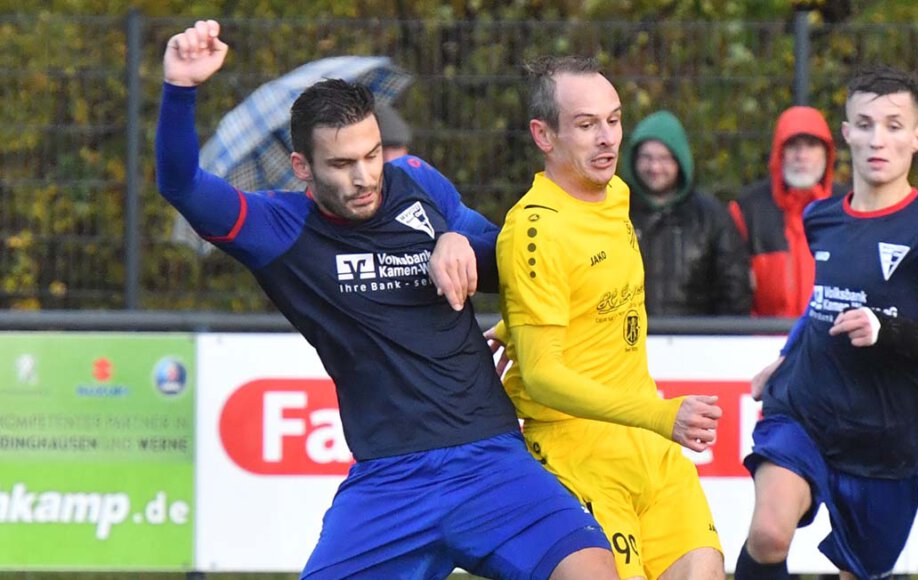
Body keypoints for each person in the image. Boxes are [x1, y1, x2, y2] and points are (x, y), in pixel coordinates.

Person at [157, 21, 619, 580]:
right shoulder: (276, 228)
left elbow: (514, 262)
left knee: (591, 571)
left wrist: (457, 237)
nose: (364, 177)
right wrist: (180, 89)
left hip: (492, 462)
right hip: (389, 486)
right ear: (303, 167)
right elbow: (181, 185)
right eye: (342, 164)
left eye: (372, 155)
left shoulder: (419, 182)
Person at [733, 65, 918, 580]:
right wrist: (784, 359)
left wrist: (886, 330)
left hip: (885, 442)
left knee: (860, 571)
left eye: (894, 126)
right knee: (767, 534)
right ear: (845, 132)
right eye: (865, 123)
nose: (878, 139)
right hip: (803, 411)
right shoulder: (822, 217)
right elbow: (821, 302)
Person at [495, 55, 726, 580]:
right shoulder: (534, 230)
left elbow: (585, 291)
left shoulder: (617, 194)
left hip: (648, 448)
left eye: (614, 119)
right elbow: (541, 375)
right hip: (577, 453)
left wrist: (521, 319)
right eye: (586, 124)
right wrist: (662, 415)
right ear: (544, 135)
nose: (607, 138)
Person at [620, 110, 751, 315]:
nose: (654, 167)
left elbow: (734, 291)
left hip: (695, 341)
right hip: (626, 339)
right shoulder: (614, 211)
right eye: (646, 157)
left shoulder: (711, 216)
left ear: (680, 161)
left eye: (664, 158)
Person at [728, 106, 848, 317]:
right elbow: (733, 293)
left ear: (826, 153)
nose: (802, 156)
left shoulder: (850, 207)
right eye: (793, 146)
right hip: (761, 343)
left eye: (811, 146)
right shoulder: (746, 210)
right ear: (779, 153)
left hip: (833, 341)